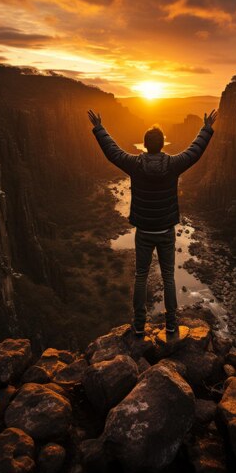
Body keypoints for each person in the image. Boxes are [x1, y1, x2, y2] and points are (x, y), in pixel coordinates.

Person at [88, 108, 218, 336]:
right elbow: (195, 152)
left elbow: (112, 152)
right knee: (168, 277)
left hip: (144, 231)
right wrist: (206, 128)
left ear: (146, 146)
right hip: (166, 231)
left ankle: (138, 325)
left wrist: (99, 128)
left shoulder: (134, 164)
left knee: (141, 275)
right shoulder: (174, 164)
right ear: (162, 145)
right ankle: (170, 324)